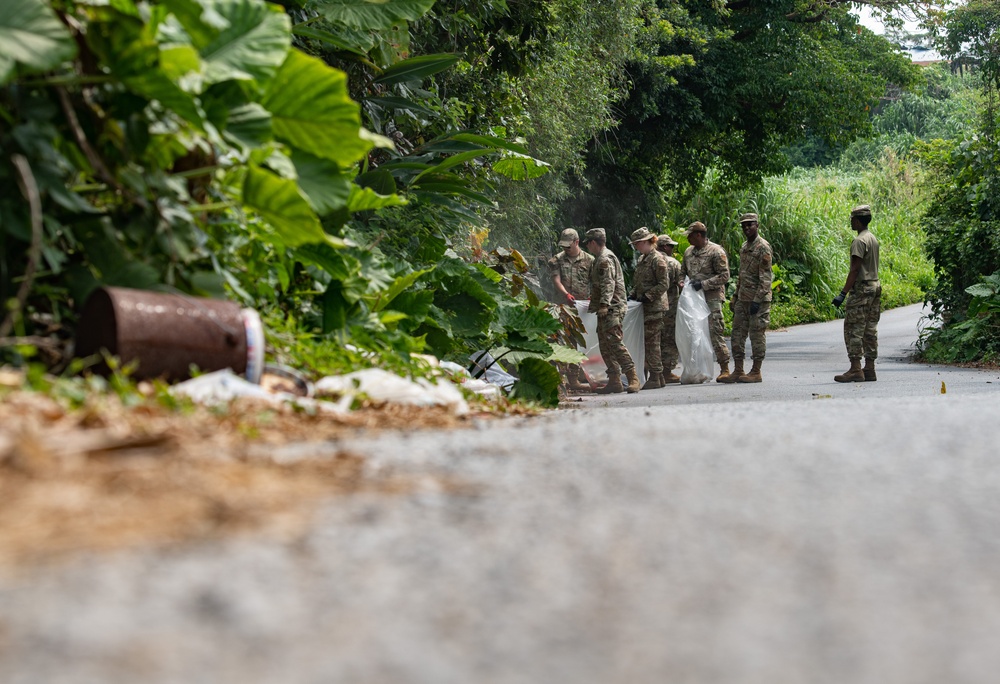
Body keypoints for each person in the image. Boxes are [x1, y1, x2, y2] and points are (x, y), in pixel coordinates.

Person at [583, 228, 640, 394]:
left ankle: (632, 376)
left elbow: (608, 283)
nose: (587, 246)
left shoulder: (605, 259)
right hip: (606, 306)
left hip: (612, 307)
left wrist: (604, 304)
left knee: (614, 341)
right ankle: (614, 380)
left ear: (593, 242)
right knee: (605, 343)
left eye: (588, 243)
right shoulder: (599, 259)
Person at [832, 205, 881, 382]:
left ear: (858, 221)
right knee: (870, 328)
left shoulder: (859, 241)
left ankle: (855, 368)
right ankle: (869, 368)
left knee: (853, 328)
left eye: (852, 219)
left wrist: (843, 293)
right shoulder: (872, 238)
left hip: (861, 289)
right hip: (875, 285)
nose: (851, 221)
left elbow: (854, 270)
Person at [723, 213, 773, 383]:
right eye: (744, 226)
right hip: (742, 299)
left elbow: (766, 278)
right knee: (737, 334)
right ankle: (738, 369)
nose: (746, 228)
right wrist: (735, 296)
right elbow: (742, 275)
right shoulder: (744, 247)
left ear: (757, 225)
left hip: (757, 301)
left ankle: (756, 371)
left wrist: (757, 300)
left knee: (757, 335)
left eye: (750, 225)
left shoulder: (763, 247)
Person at [679, 221, 732, 382]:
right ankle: (697, 370)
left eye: (690, 235)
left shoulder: (716, 251)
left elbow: (724, 275)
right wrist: (682, 282)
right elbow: (682, 272)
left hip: (711, 297)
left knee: (715, 331)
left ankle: (724, 368)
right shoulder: (688, 252)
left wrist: (703, 284)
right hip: (693, 300)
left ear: (699, 235)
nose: (688, 239)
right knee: (694, 333)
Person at [548, 228, 595, 391]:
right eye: (563, 246)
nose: (566, 249)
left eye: (569, 246)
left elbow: (594, 281)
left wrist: (592, 297)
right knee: (562, 341)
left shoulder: (589, 260)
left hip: (583, 308)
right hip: (563, 307)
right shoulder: (556, 260)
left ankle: (578, 377)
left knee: (581, 342)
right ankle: (562, 378)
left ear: (577, 242)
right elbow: (556, 279)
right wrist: (566, 294)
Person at [627, 227, 670, 390]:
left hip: (655, 307)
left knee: (652, 343)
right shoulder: (643, 259)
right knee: (648, 342)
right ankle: (657, 376)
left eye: (637, 244)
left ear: (645, 242)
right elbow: (639, 283)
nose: (636, 247)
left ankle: (656, 375)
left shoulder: (657, 259)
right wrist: (633, 294)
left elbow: (663, 284)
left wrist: (648, 296)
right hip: (644, 307)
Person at [655, 234, 683, 383]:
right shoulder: (673, 263)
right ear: (665, 247)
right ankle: (667, 370)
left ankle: (654, 370)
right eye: (671, 246)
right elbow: (681, 284)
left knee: (654, 338)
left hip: (652, 307)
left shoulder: (649, 260)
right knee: (670, 339)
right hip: (670, 308)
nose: (672, 249)